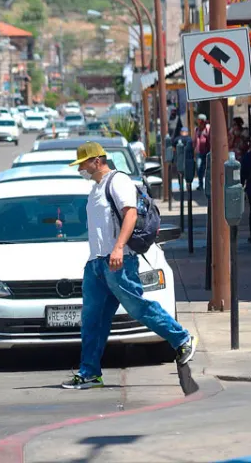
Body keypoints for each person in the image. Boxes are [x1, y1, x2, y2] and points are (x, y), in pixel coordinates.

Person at [62, 142, 195, 390]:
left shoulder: (118, 181)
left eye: (82, 163)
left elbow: (131, 214)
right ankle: (90, 372)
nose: (80, 168)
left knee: (138, 307)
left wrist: (119, 247)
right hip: (96, 263)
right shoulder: (95, 188)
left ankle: (182, 338)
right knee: (92, 319)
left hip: (118, 261)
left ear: (97, 161)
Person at [193, 114, 210, 190]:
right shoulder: (196, 129)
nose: (199, 122)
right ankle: (200, 184)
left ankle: (207, 185)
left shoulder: (207, 128)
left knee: (207, 169)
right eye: (198, 121)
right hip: (199, 152)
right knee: (199, 167)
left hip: (207, 152)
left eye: (201, 121)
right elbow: (194, 140)